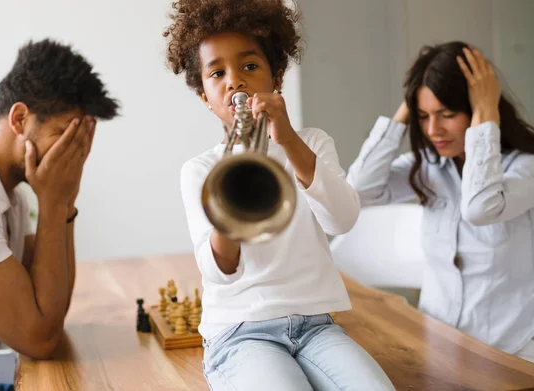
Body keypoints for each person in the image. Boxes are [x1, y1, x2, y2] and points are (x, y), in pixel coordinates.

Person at [164, 1, 396, 389]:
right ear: (205, 95)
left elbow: (343, 219)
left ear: (278, 77)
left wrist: (287, 140)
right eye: (217, 72)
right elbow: (218, 270)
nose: (234, 81)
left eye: (249, 66)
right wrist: (232, 194)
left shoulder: (312, 143)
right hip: (240, 332)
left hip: (316, 325)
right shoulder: (202, 171)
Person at [0, 39, 119, 391]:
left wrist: (64, 204)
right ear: (19, 118)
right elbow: (40, 339)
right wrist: (53, 202)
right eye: (65, 136)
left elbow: (53, 308)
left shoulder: (9, 195)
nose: (73, 155)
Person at [347, 41, 534, 363]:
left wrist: (486, 112)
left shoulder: (525, 167)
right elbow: (358, 192)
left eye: (447, 114)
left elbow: (480, 207)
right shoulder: (429, 167)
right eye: (423, 116)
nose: (434, 130)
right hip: (438, 347)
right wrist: (405, 108)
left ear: (476, 110)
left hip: (510, 351)